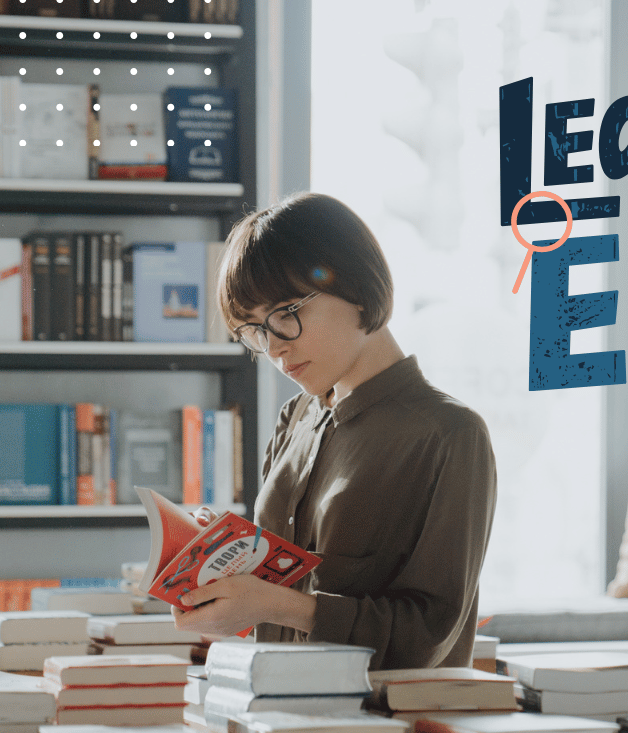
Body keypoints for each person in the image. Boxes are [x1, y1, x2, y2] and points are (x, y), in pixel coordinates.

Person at [171, 193, 498, 670]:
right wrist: (224, 560)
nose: (274, 348)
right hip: (272, 701)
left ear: (357, 288)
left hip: (378, 712)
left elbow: (428, 637)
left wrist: (275, 605)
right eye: (254, 331)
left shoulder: (449, 434)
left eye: (286, 313)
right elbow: (273, 591)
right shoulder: (295, 419)